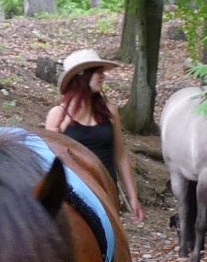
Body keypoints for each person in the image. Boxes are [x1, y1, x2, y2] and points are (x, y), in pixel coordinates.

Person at [44, 48, 145, 224]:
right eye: (97, 71)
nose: (102, 76)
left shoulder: (109, 111)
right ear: (81, 76)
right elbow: (51, 163)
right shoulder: (58, 115)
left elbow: (120, 156)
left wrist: (133, 197)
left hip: (107, 192)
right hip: (74, 195)